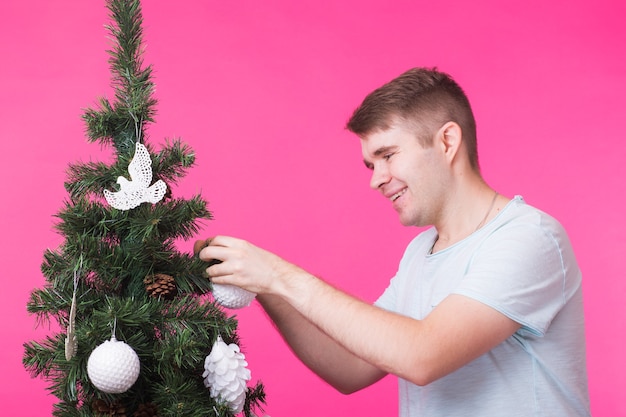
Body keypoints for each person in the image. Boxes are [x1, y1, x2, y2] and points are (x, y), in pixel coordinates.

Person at [195, 67, 591, 416]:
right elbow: (351, 366)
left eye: (388, 155)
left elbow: (422, 355)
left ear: (447, 142)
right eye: (371, 164)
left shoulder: (528, 237)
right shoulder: (421, 252)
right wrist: (262, 285)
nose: (375, 178)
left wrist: (279, 275)